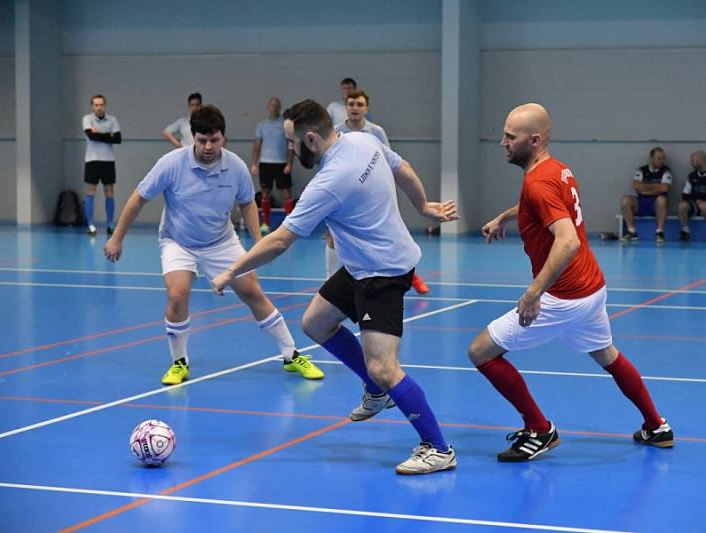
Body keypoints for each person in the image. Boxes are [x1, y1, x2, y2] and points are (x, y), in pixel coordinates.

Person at [212, 100, 459, 474]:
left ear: (311, 138)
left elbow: (279, 241)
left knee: (384, 366)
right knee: (316, 322)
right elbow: (403, 168)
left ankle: (438, 447)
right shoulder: (363, 141)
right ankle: (375, 391)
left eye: (294, 143)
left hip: (383, 273)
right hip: (362, 265)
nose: (291, 150)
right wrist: (423, 207)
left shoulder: (328, 183)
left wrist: (232, 270)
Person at [469, 103, 673, 463]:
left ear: (533, 140)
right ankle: (656, 425)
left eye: (509, 137)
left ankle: (539, 429)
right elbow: (542, 207)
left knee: (481, 352)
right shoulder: (557, 170)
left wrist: (534, 293)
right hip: (592, 287)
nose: (502, 142)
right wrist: (504, 216)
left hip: (565, 296)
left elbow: (567, 240)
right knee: (608, 355)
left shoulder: (538, 181)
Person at [103, 104, 324, 384]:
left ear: (224, 138)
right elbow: (139, 198)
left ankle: (291, 355)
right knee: (178, 294)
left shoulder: (235, 167)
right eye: (202, 140)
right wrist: (116, 237)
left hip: (221, 241)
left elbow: (247, 204)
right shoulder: (171, 163)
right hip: (178, 240)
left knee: (252, 292)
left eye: (214, 140)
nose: (208, 146)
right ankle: (179, 362)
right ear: (192, 138)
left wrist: (259, 243)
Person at [331, 89, 430, 294]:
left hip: (375, 196)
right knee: (335, 237)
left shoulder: (376, 132)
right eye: (351, 104)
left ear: (367, 108)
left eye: (359, 104)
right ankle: (333, 281)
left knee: (392, 234)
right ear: (345, 107)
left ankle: (411, 274)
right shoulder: (336, 132)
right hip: (347, 197)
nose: (355, 108)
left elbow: (391, 162)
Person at [250, 97, 295, 235]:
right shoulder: (261, 125)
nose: (273, 108)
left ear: (279, 108)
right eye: (271, 105)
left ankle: (291, 225)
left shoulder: (285, 124)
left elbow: (291, 145)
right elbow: (257, 146)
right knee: (265, 194)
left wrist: (289, 163)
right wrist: (253, 164)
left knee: (286, 194)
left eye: (276, 106)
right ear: (268, 107)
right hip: (265, 164)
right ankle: (265, 223)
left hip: (282, 164)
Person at [82, 94, 122, 236]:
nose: (99, 108)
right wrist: (108, 136)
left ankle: (110, 224)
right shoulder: (87, 119)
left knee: (109, 193)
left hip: (108, 161)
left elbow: (117, 139)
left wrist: (100, 133)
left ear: (105, 105)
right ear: (92, 106)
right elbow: (91, 136)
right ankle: (91, 225)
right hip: (92, 160)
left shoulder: (113, 120)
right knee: (90, 193)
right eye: (96, 105)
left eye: (101, 105)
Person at [620, 147, 673, 242]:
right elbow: (636, 185)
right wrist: (655, 187)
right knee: (625, 200)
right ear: (652, 158)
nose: (662, 161)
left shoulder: (666, 171)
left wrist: (645, 189)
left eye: (663, 158)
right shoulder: (641, 170)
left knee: (662, 199)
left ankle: (659, 232)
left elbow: (664, 188)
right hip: (641, 203)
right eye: (659, 158)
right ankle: (631, 231)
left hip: (657, 205)